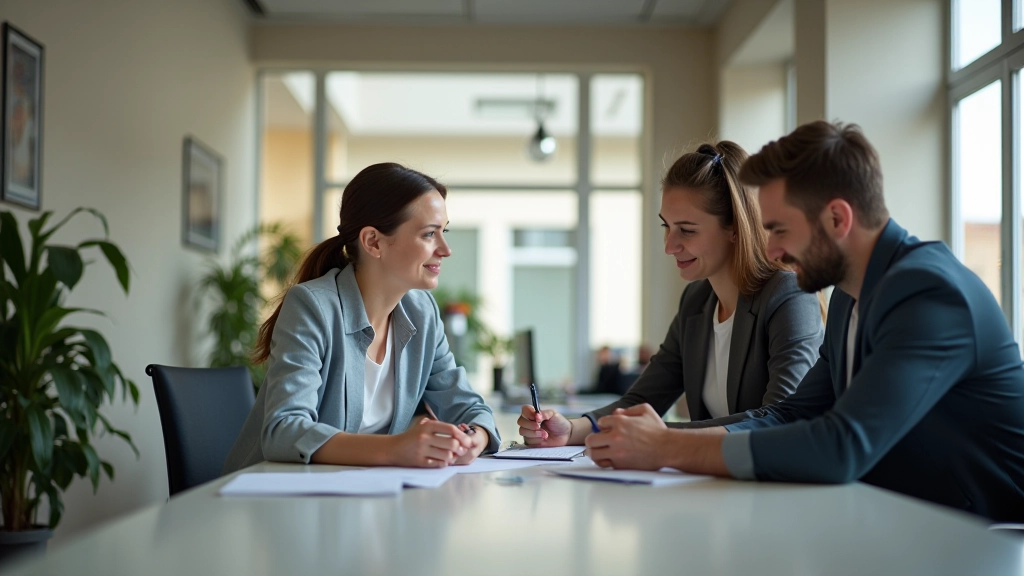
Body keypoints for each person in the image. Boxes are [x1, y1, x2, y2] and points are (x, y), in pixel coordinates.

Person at [585, 121, 1024, 522]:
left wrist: (666, 445)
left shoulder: (929, 293)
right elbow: (791, 414)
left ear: (837, 218)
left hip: (986, 540)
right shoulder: (851, 296)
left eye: (779, 230)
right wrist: (656, 441)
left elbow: (842, 445)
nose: (770, 250)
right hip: (909, 525)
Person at [518, 141, 824, 447]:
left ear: (735, 227)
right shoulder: (696, 301)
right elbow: (641, 400)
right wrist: (571, 431)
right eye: (667, 226)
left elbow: (782, 419)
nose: (669, 246)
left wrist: (662, 437)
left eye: (687, 230)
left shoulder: (789, 295)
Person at [223, 163, 500, 473]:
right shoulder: (313, 306)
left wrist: (474, 438)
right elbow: (284, 430)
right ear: (373, 242)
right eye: (428, 234)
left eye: (443, 232)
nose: (446, 250)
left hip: (360, 490)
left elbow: (467, 406)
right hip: (272, 492)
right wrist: (396, 449)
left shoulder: (422, 312)